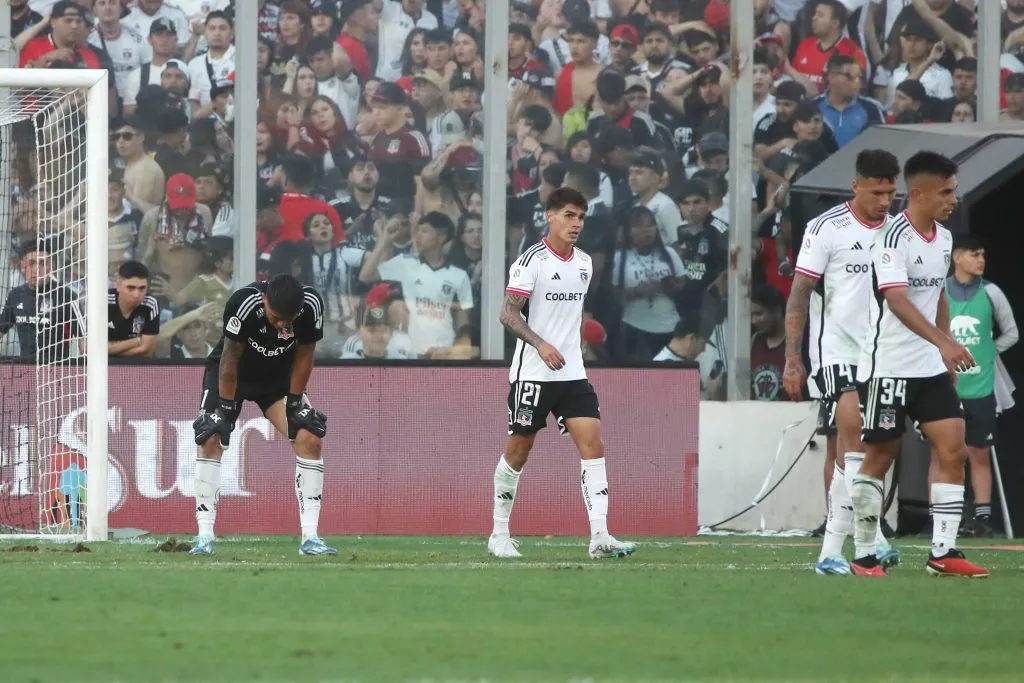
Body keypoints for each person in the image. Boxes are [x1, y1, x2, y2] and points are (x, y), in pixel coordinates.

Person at [851, 151, 987, 578]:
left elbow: (939, 297)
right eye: (946, 191)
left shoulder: (944, 239)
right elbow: (897, 300)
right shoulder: (891, 238)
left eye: (955, 190)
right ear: (919, 193)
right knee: (880, 458)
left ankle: (942, 552)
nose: (953, 199)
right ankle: (864, 555)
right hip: (888, 368)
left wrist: (942, 352)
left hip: (929, 368)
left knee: (954, 450)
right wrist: (945, 343)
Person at [491, 187, 636, 560]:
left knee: (594, 446)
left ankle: (600, 537)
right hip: (534, 374)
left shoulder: (585, 263)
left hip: (572, 374)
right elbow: (508, 314)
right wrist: (540, 344)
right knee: (518, 452)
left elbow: (570, 318)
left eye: (581, 217)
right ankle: (499, 533)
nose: (576, 224)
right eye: (569, 215)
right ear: (550, 217)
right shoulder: (531, 262)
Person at [783, 149, 902, 575]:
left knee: (870, 450)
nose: (884, 201)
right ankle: (875, 537)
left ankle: (833, 551)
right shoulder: (825, 228)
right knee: (850, 431)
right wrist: (793, 359)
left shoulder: (899, 232)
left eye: (890, 192)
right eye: (876, 192)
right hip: (835, 349)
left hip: (884, 353)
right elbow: (799, 294)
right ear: (857, 186)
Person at [189, 274, 334, 557]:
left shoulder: (312, 306)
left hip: (278, 379)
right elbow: (229, 358)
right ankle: (204, 536)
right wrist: (226, 410)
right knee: (211, 436)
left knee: (310, 438)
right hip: (232, 376)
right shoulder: (244, 303)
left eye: (288, 320)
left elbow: (305, 354)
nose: (282, 325)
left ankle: (311, 538)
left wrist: (294, 400)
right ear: (266, 299)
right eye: (277, 317)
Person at [941, 235, 1018, 537]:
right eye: (975, 255)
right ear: (957, 258)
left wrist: (988, 351)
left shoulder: (992, 293)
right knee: (943, 452)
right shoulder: (940, 292)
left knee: (979, 452)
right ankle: (943, 517)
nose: (981, 260)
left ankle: (982, 519)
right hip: (946, 385)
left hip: (981, 384)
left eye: (983, 255)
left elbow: (1011, 333)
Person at [108, 261, 160, 358]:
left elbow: (146, 349)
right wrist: (136, 341)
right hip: (101, 367)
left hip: (136, 366)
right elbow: (85, 347)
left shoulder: (150, 304)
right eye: (130, 288)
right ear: (118, 286)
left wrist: (108, 349)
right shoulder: (102, 302)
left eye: (142, 288)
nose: (136, 295)